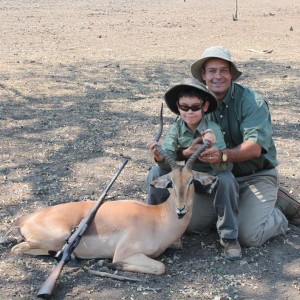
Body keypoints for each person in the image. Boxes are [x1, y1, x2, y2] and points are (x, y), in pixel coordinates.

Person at [190, 45, 300, 248]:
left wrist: (222, 155)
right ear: (203, 75)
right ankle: (242, 209)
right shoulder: (195, 102)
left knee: (249, 236)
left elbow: (254, 147)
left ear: (232, 74)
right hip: (219, 179)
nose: (218, 76)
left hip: (254, 176)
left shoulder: (252, 102)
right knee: (189, 224)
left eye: (224, 70)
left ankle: (277, 210)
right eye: (212, 71)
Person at [146, 78, 242, 260]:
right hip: (187, 179)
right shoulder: (176, 128)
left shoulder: (212, 129)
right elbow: (168, 160)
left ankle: (229, 237)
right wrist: (159, 157)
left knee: (227, 178)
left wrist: (214, 153)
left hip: (209, 179)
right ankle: (153, 226)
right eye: (184, 107)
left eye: (195, 107)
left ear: (204, 106)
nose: (190, 112)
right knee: (155, 172)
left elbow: (226, 165)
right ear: (178, 107)